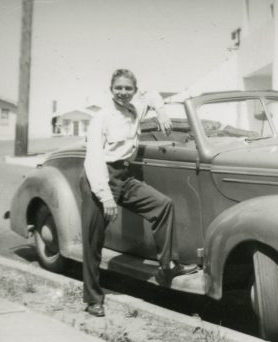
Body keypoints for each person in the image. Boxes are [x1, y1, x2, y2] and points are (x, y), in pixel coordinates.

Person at [80, 68, 198, 317]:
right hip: (99, 180)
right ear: (110, 90)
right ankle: (93, 298)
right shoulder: (102, 117)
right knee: (93, 242)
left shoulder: (135, 111)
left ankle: (166, 268)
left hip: (124, 177)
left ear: (134, 90)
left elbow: (153, 95)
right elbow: (93, 160)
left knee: (163, 205)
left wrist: (162, 111)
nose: (123, 93)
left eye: (128, 89)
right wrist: (106, 197)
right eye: (118, 88)